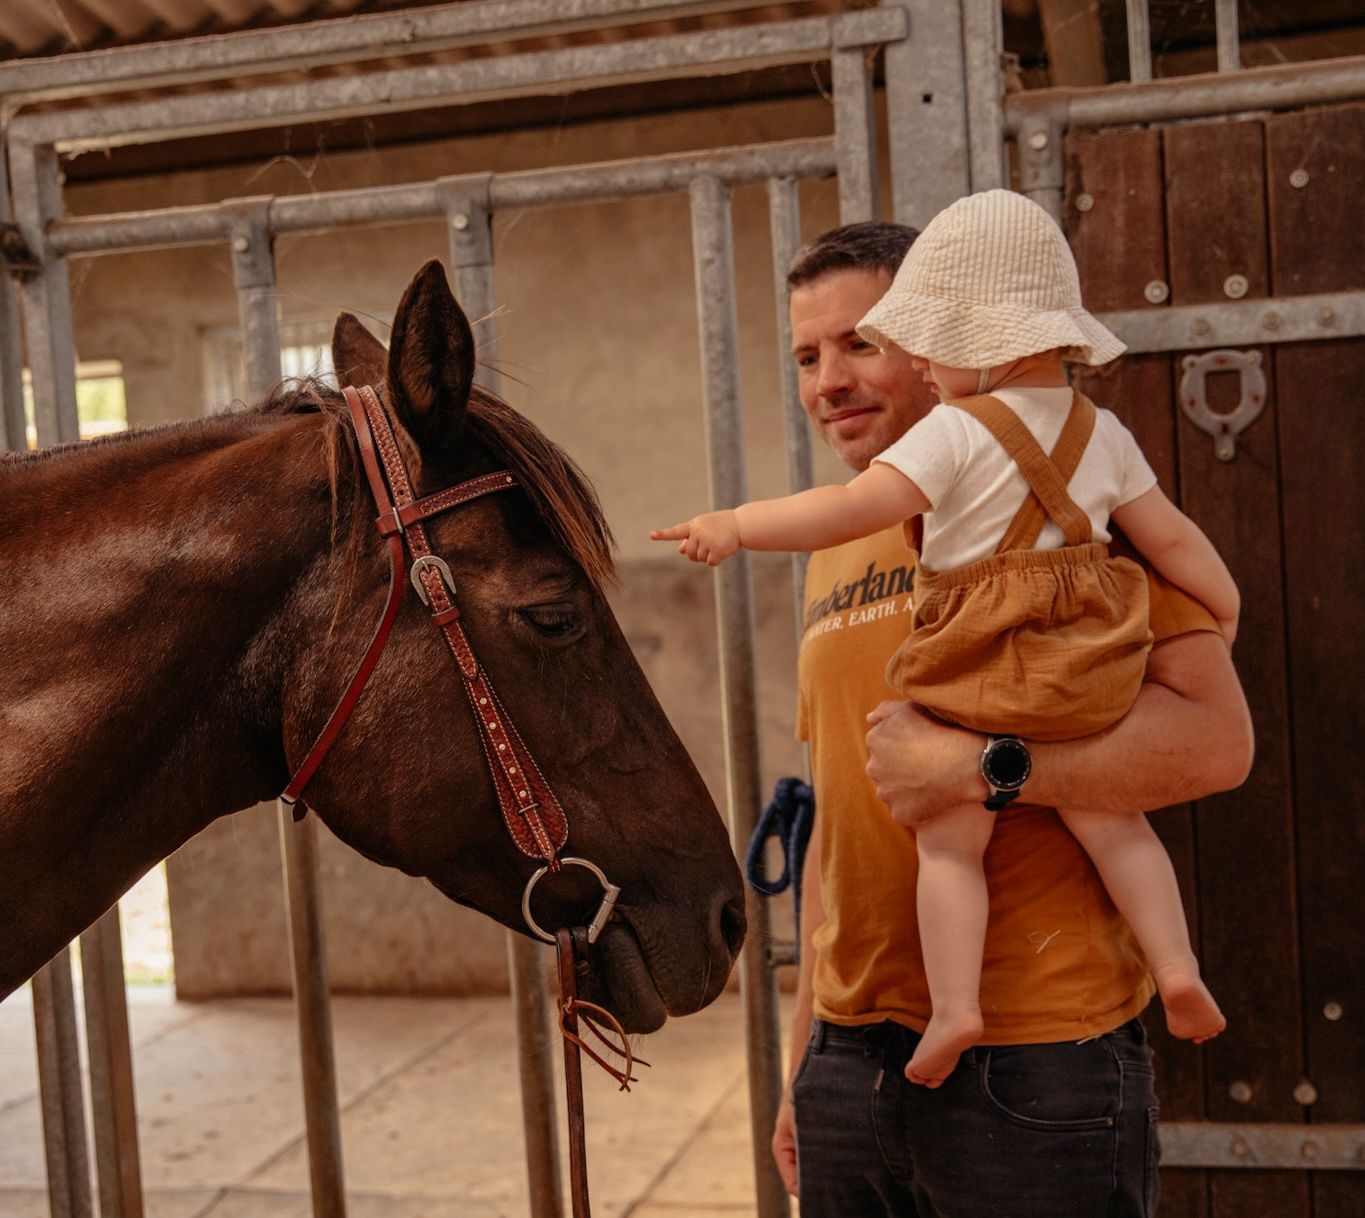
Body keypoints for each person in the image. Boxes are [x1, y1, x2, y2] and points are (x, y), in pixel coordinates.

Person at [678, 219, 1252, 1215]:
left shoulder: (1082, 525)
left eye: (862, 342)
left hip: (1036, 1060)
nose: (829, 381)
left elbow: (1215, 744)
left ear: (946, 339)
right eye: (808, 356)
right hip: (851, 1060)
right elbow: (843, 816)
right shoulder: (834, 542)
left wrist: (987, 772)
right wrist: (807, 1050)